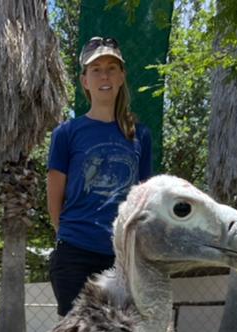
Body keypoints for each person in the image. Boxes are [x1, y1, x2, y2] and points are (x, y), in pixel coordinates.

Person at [46, 37, 153, 317]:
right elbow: (55, 195)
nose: (104, 75)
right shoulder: (67, 133)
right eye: (95, 69)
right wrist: (67, 235)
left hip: (122, 255)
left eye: (111, 68)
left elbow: (142, 196)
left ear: (121, 77)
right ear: (84, 80)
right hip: (75, 252)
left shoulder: (140, 134)